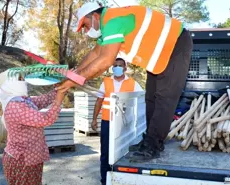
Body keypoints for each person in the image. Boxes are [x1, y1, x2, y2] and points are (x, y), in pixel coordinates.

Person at [57, 2, 193, 162]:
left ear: (94, 16)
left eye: (85, 26)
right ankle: (150, 141)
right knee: (151, 98)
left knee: (165, 98)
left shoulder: (114, 21)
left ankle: (153, 146)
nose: (87, 31)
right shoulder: (108, 25)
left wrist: (76, 80)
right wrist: (74, 74)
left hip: (176, 44)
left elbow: (105, 60)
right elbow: (95, 54)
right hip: (161, 53)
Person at [0, 70, 67, 185]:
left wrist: (59, 87)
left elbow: (44, 99)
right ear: (10, 84)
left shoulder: (23, 101)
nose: (23, 82)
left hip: (31, 159)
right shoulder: (15, 106)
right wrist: (59, 98)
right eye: (19, 80)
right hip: (21, 161)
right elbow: (45, 119)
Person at [91, 58, 143, 185]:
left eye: (120, 66)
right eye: (115, 66)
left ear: (125, 68)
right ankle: (105, 180)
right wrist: (94, 119)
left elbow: (141, 100)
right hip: (107, 121)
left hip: (124, 123)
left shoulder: (132, 83)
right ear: (112, 68)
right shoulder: (106, 82)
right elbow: (99, 101)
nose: (117, 68)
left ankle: (121, 178)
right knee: (105, 152)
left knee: (123, 150)